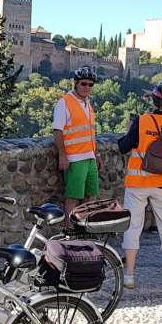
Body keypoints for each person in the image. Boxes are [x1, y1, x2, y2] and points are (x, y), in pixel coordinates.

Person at [118, 82, 162, 291]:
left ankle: (129, 275)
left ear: (154, 100)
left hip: (138, 183)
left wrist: (130, 130)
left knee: (133, 227)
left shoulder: (142, 121)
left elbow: (123, 147)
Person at [53, 66, 101, 218]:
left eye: (90, 84)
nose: (87, 87)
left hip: (90, 158)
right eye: (84, 83)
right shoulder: (65, 102)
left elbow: (92, 132)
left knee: (91, 196)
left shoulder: (88, 104)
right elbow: (58, 130)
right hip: (74, 158)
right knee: (72, 197)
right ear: (76, 83)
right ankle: (69, 232)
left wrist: (97, 154)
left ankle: (85, 230)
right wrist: (62, 156)